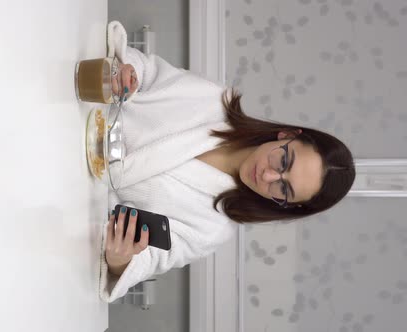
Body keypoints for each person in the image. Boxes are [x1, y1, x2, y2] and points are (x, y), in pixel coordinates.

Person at [99, 22, 356, 302]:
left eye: (284, 190)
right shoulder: (215, 101)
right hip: (70, 116)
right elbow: (145, 71)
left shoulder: (212, 229)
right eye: (283, 160)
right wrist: (126, 73)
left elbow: (145, 260)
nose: (269, 177)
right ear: (288, 134)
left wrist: (120, 259)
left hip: (70, 206)